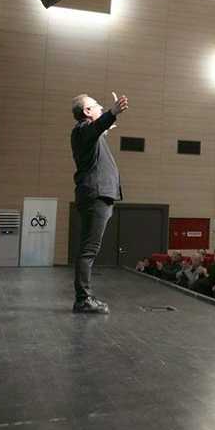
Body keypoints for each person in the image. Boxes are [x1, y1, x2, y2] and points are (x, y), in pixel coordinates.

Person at [70, 92, 129, 314]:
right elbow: (94, 129)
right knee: (89, 250)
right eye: (96, 105)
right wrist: (112, 113)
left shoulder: (89, 134)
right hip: (96, 195)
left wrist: (105, 126)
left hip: (97, 195)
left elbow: (97, 130)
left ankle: (83, 298)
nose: (101, 106)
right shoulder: (82, 130)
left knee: (88, 249)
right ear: (86, 112)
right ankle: (83, 299)